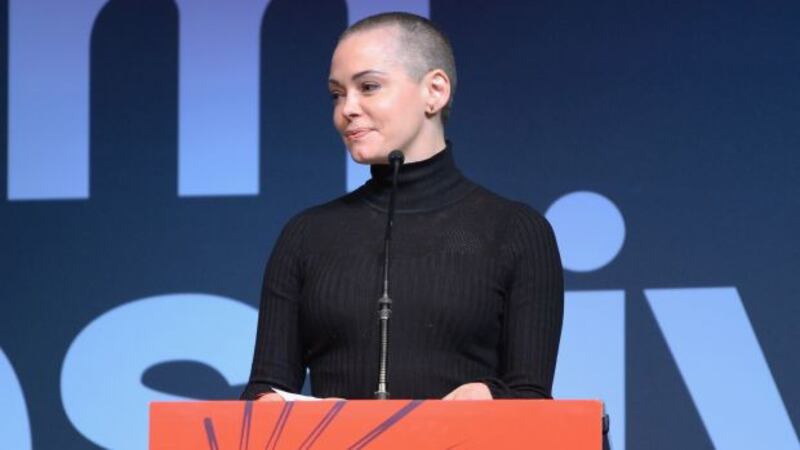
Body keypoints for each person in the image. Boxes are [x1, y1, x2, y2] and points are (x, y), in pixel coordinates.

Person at [241, 12, 563, 401]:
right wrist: (277, 408)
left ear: (435, 91)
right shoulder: (305, 235)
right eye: (337, 94)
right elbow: (264, 391)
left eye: (369, 86)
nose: (347, 109)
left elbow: (532, 398)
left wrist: (490, 399)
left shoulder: (517, 231)